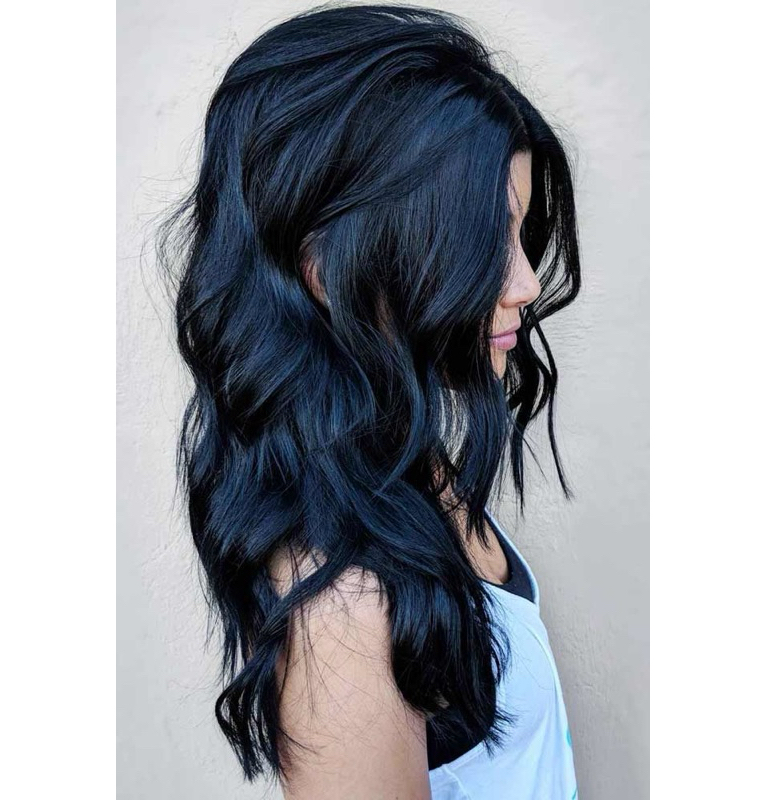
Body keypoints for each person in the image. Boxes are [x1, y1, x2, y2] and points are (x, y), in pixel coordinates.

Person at [157, 4, 582, 798]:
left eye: (521, 236)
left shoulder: (394, 465)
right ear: (327, 270)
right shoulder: (344, 610)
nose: (526, 285)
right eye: (485, 240)